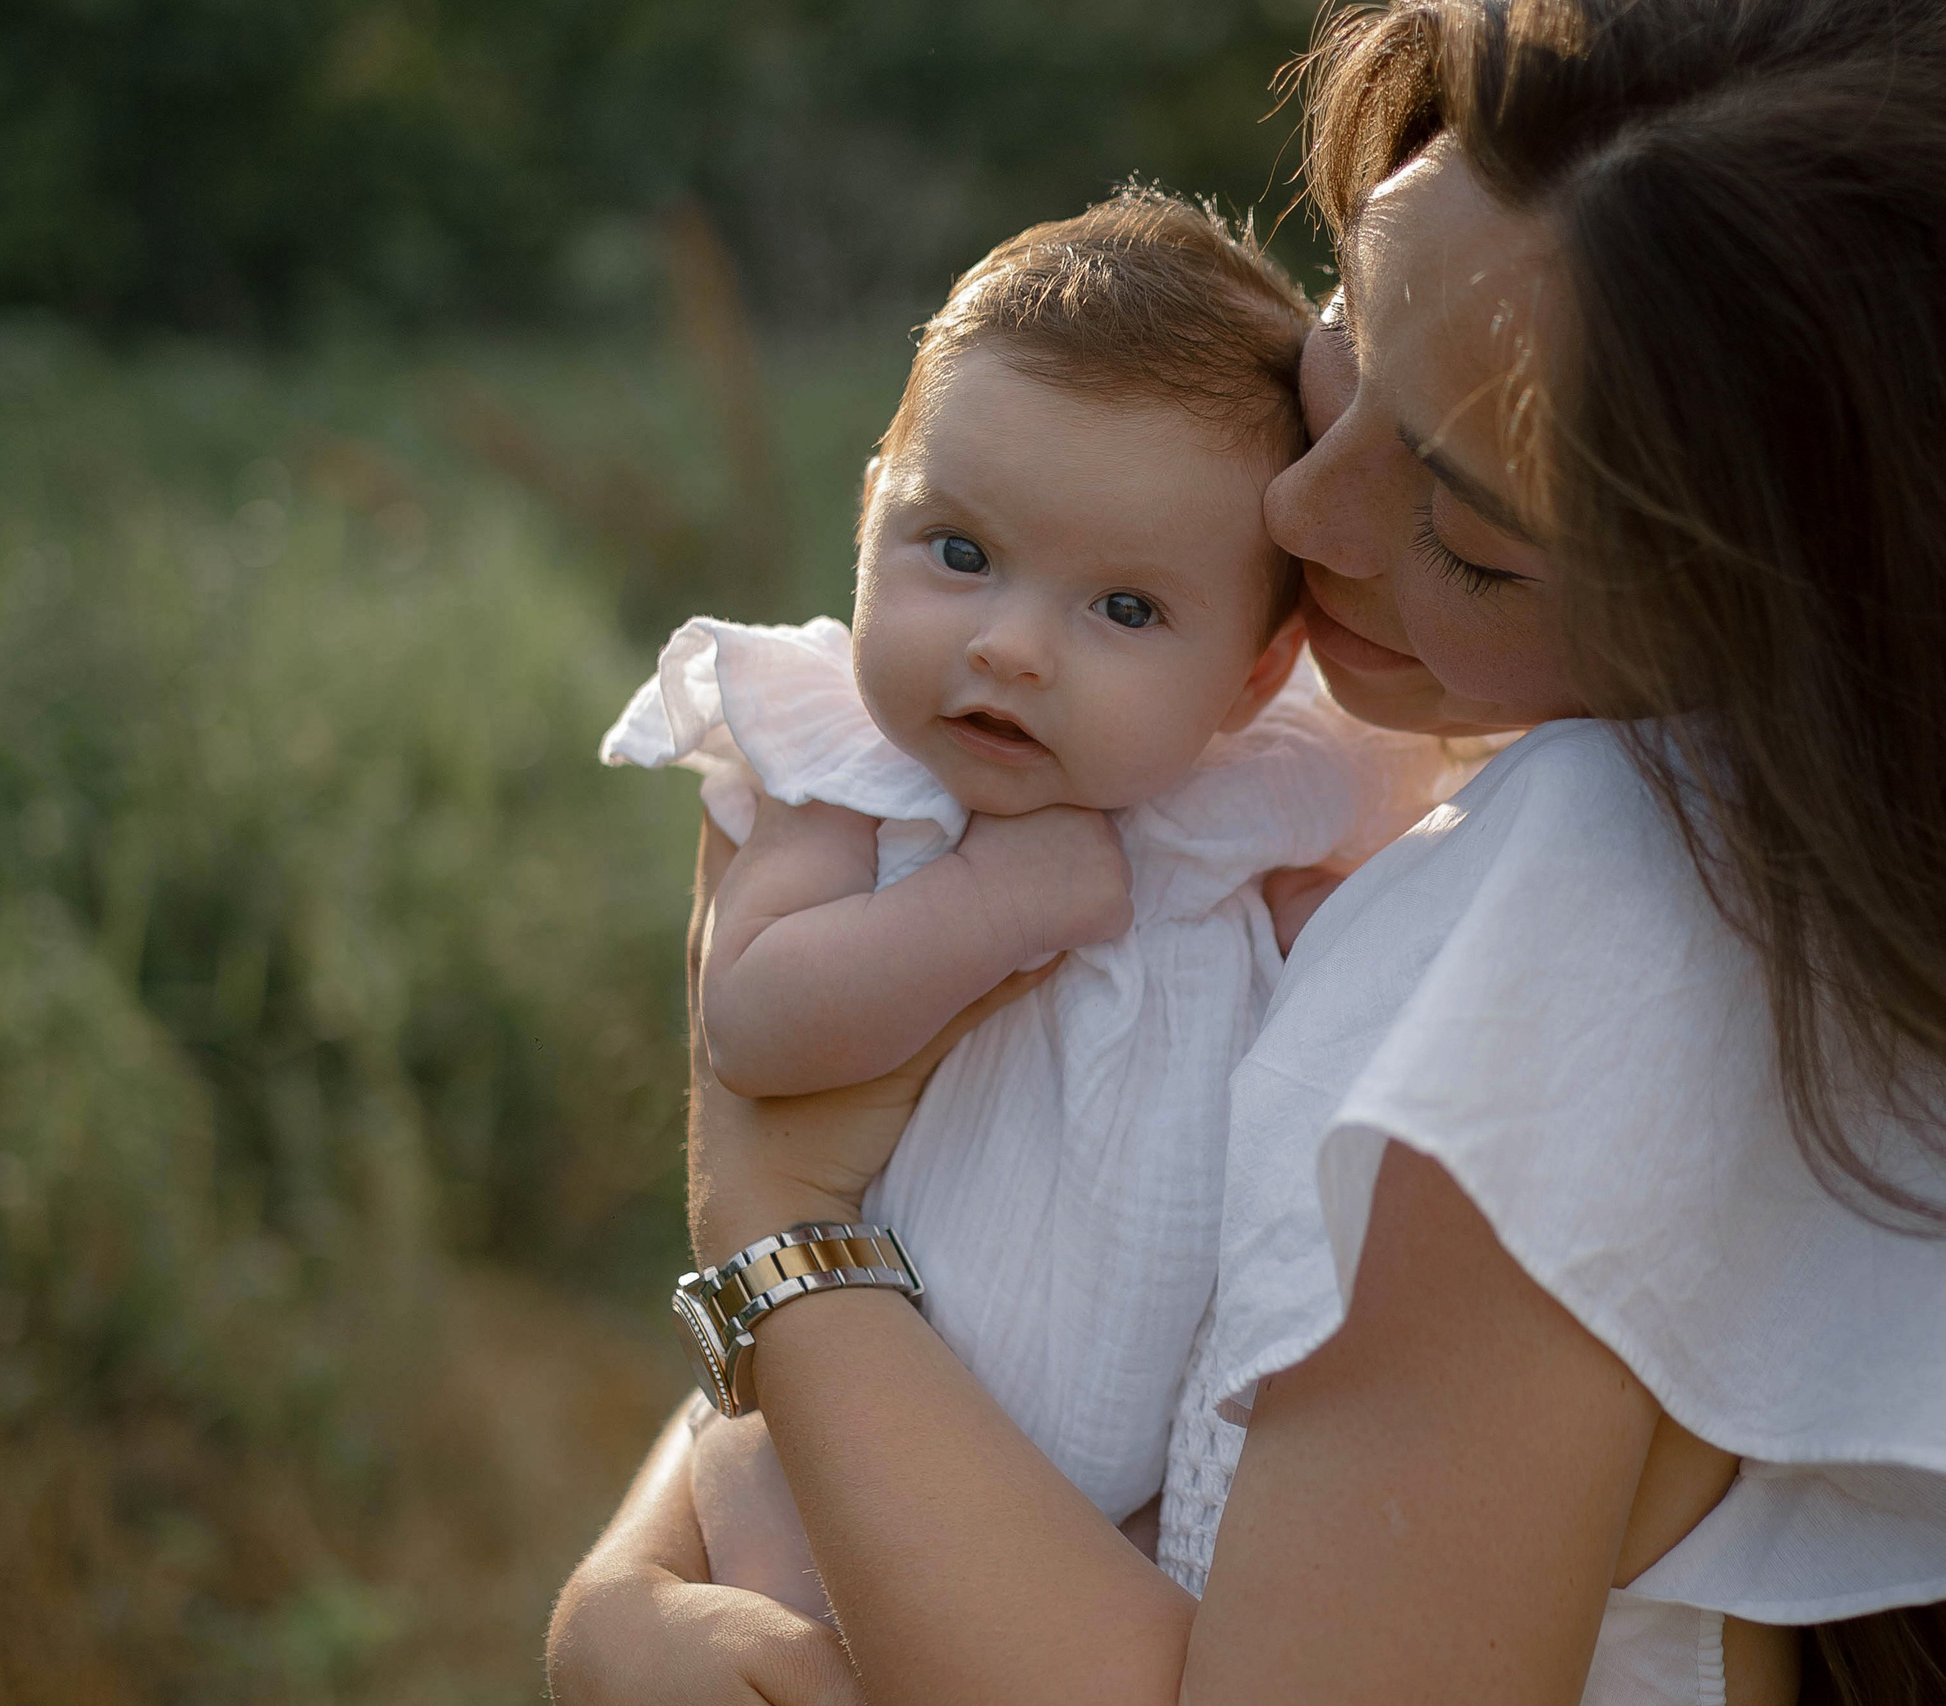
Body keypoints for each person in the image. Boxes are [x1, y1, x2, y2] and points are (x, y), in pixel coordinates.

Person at [549, 2, 1946, 1702]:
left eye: (1469, 532)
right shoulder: (1697, 829)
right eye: (1343, 350)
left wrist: (776, 1229)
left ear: (1824, 622)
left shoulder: (1570, 923)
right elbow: (1013, 1225)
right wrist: (640, 1577)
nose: (1305, 508)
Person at [597, 190, 1446, 1619]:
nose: (1007, 646)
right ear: (872, 514)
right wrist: (989, 901)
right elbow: (752, 1017)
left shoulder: (1250, 786)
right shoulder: (853, 772)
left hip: (1132, 1499)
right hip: (842, 1450)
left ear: (1251, 674)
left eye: (1124, 609)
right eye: (960, 552)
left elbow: (1395, 858)